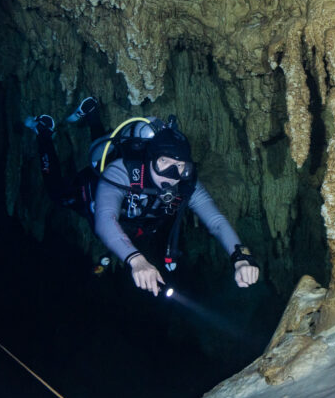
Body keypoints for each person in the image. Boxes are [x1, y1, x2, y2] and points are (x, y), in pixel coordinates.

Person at [25, 97, 260, 296]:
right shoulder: (122, 172)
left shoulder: (186, 184)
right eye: (164, 163)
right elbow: (105, 220)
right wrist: (136, 260)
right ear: (150, 161)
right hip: (98, 192)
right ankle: (44, 133)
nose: (172, 175)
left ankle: (92, 115)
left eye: (180, 167)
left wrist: (239, 257)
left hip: (139, 221)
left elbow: (216, 221)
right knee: (57, 195)